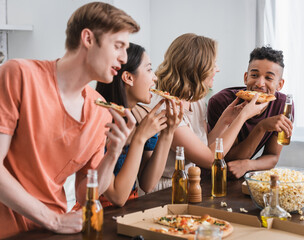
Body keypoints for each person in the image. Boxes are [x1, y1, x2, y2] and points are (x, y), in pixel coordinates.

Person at [0, 2, 139, 238]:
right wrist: (54, 220)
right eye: (118, 46)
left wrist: (113, 153)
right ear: (88, 39)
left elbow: (87, 194)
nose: (124, 58)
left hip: (53, 232)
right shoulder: (18, 75)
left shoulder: (100, 110)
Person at [147, 33, 267, 190]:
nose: (217, 69)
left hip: (187, 183)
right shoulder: (166, 107)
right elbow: (210, 159)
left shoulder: (195, 100)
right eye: (213, 64)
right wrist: (243, 117)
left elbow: (205, 145)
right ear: (196, 67)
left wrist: (226, 119)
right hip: (163, 189)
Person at [96, 43, 183, 207]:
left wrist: (168, 133)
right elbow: (118, 197)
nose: (155, 78)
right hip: (98, 212)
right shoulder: (101, 122)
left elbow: (147, 184)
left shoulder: (143, 115)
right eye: (149, 69)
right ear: (128, 77)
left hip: (131, 208)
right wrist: (140, 137)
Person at [207, 46, 294, 179]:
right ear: (246, 77)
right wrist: (261, 127)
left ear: (280, 84)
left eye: (269, 78)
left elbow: (272, 156)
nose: (260, 84)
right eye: (254, 75)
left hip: (245, 178)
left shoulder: (284, 105)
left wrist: (248, 165)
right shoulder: (222, 102)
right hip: (213, 177)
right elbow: (230, 158)